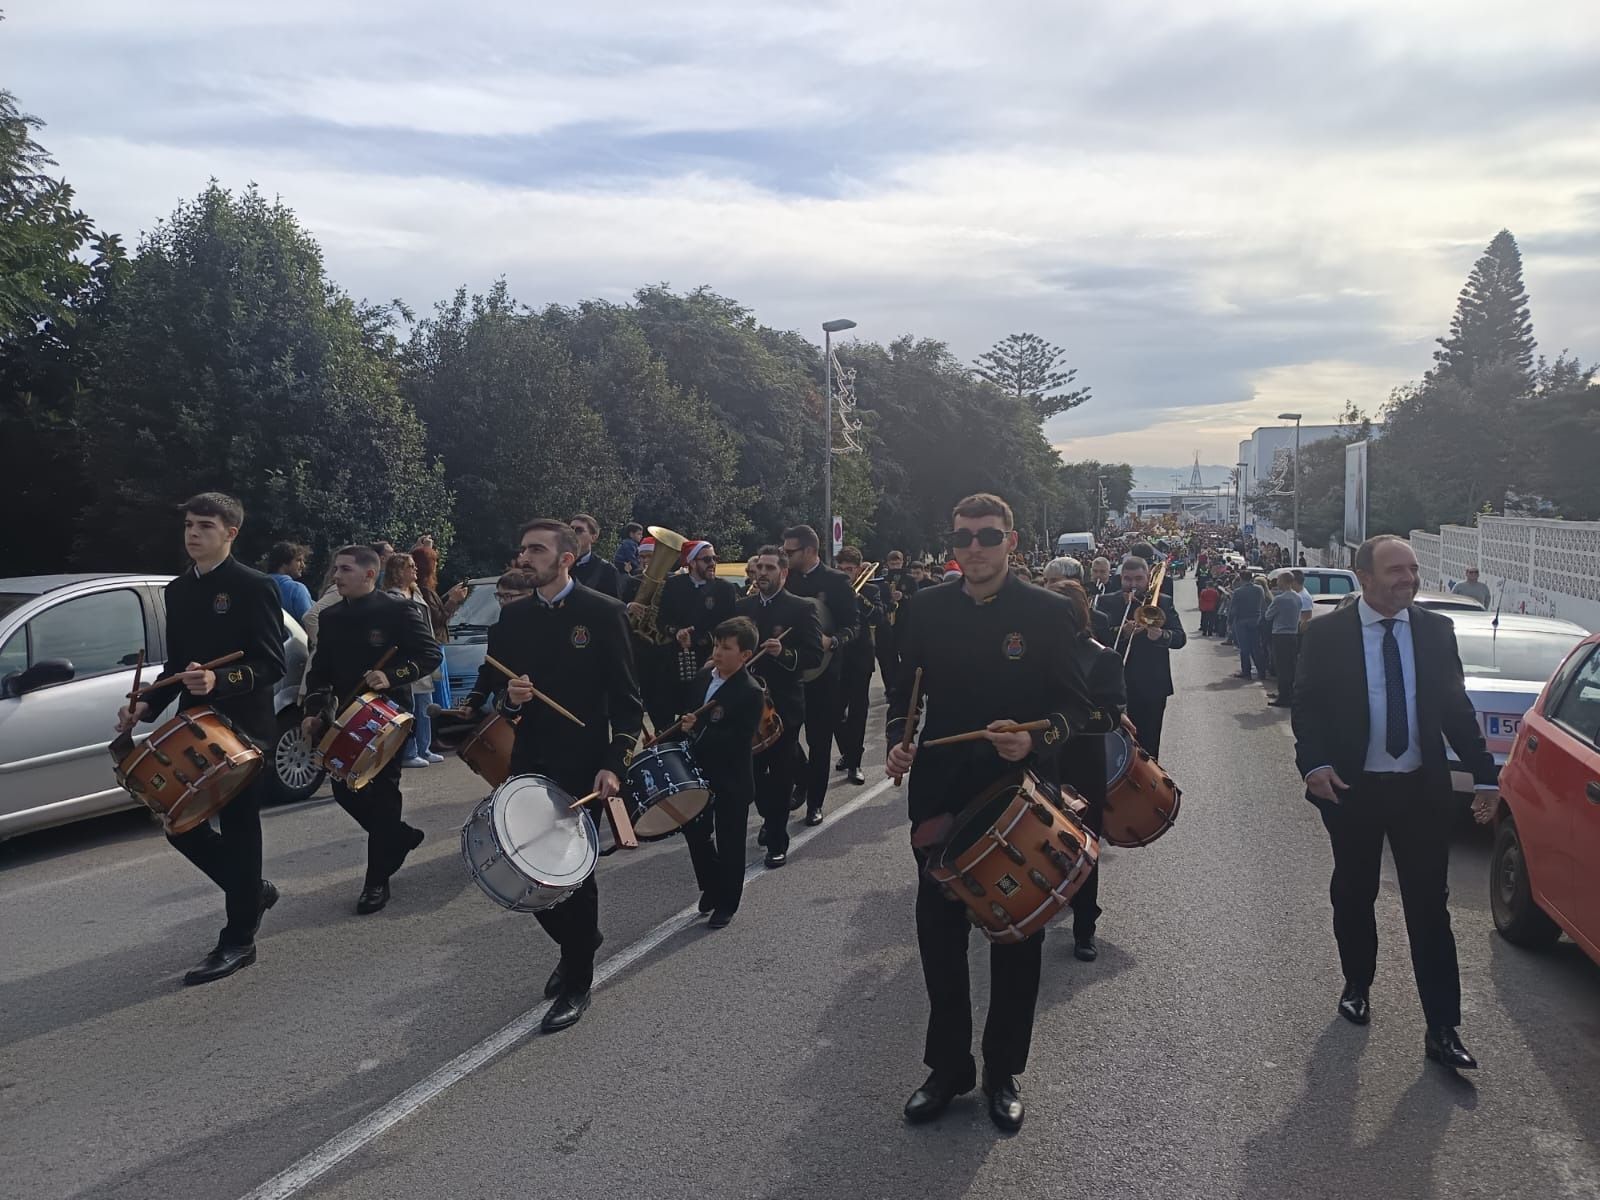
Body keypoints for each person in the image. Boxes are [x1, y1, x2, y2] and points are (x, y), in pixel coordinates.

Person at [886, 492, 1094, 1132]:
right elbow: (903, 691)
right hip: (942, 794)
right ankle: (948, 1069)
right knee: (938, 940)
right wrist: (898, 738)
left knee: (1015, 936)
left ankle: (1002, 1069)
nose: (972, 547)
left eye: (986, 535)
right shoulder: (922, 609)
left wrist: (1036, 738)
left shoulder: (1050, 611)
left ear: (1012, 542)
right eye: (961, 536)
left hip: (1018, 792)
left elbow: (1079, 710)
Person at [1292, 534, 1498, 1070]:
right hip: (1352, 790)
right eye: (1395, 570)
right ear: (1364, 576)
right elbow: (1307, 706)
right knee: (1355, 893)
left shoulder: (1435, 631)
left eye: (1412, 568)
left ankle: (1443, 1027)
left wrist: (1485, 775)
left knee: (1429, 906)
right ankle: (1357, 982)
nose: (1407, 578)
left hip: (1419, 792)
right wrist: (1312, 765)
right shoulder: (1328, 634)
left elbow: (1456, 706)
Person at [116, 492, 286, 985]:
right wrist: (145, 703)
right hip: (194, 727)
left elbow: (271, 663)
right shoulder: (177, 591)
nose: (193, 534)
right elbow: (175, 666)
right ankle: (251, 890)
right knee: (180, 824)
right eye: (189, 524)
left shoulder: (255, 587)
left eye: (205, 526)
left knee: (239, 827)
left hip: (244, 731)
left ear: (230, 533)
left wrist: (222, 681)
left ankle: (239, 939)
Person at [481, 518, 643, 1033]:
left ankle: (577, 982)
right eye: (522, 548)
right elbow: (494, 695)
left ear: (566, 558)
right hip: (530, 761)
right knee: (526, 873)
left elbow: (627, 702)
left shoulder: (604, 612)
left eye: (535, 550)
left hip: (585, 761)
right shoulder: (513, 620)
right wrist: (509, 699)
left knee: (573, 875)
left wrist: (614, 763)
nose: (523, 557)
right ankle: (581, 942)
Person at [303, 545, 441, 913]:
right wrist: (313, 709)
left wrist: (391, 675)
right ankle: (397, 836)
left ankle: (376, 881)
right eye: (335, 568)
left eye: (344, 569)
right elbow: (320, 671)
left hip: (389, 715)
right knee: (344, 790)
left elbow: (430, 655)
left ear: (369, 574)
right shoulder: (331, 617)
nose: (336, 576)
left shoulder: (399, 610)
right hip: (347, 717)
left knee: (382, 793)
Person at [735, 545, 823, 866]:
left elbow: (813, 655)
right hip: (747, 706)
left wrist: (783, 653)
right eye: (759, 568)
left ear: (784, 573)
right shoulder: (742, 607)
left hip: (783, 706)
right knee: (755, 774)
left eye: (770, 568)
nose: (762, 574)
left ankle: (777, 837)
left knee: (781, 772)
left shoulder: (801, 608)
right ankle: (770, 816)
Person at [1052, 579, 1126, 962]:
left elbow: (1110, 715)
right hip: (1040, 761)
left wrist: (1063, 721)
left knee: (1085, 845)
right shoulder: (1031, 654)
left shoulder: (1103, 658)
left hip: (1082, 762)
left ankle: (1085, 928)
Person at [679, 617, 765, 927]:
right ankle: (712, 886)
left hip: (731, 777)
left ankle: (727, 902)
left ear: (744, 655)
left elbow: (738, 739)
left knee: (730, 842)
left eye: (726, 648)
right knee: (696, 834)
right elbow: (687, 710)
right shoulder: (704, 678)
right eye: (716, 644)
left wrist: (698, 726)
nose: (718, 652)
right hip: (698, 773)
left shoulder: (750, 691)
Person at [781, 524, 861, 827]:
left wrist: (834, 641)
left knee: (819, 740)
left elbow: (853, 625)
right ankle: (802, 780)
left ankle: (815, 802)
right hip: (790, 671)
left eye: (791, 552)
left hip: (825, 673)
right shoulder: (786, 579)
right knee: (785, 736)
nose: (785, 557)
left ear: (810, 551)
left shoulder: (836, 581)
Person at [1095, 555, 1186, 759]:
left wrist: (1162, 635)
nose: (1133, 584)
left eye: (1138, 579)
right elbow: (1097, 639)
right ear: (1120, 579)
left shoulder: (1162, 601)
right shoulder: (1106, 601)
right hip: (1116, 687)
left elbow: (1180, 638)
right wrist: (1122, 631)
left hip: (1152, 685)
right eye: (1128, 579)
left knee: (1149, 746)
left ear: (1148, 579)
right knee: (1115, 748)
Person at [659, 539, 738, 711]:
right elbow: (662, 619)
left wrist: (695, 638)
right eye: (707, 560)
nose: (713, 564)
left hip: (709, 658)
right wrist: (677, 633)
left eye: (714, 558)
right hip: (675, 660)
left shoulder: (725, 589)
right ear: (692, 562)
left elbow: (730, 625)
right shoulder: (674, 585)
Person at [382, 552, 442, 767]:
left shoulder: (415, 593)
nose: (415, 569)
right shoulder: (393, 596)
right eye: (410, 566)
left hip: (424, 656)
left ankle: (424, 748)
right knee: (408, 707)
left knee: (425, 705)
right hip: (408, 659)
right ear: (398, 571)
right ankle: (409, 752)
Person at [833, 546, 881, 786]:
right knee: (833, 712)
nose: (844, 574)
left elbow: (879, 617)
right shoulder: (832, 591)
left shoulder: (870, 590)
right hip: (836, 658)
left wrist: (857, 596)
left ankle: (855, 763)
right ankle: (848, 751)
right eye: (840, 569)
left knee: (858, 712)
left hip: (860, 658)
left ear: (859, 570)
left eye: (849, 570)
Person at [1265, 572, 1303, 708]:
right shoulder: (1298, 598)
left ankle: (1283, 697)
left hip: (1280, 635)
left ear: (1285, 581)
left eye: (1279, 580)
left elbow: (1268, 615)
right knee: (1290, 666)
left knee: (1281, 667)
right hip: (1293, 634)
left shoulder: (1279, 599)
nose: (1277, 583)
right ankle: (1290, 694)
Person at [569, 513, 623, 597]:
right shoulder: (556, 562)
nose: (573, 533)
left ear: (593, 537)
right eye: (570, 529)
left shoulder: (606, 570)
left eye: (579, 530)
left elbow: (613, 605)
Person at [265, 541, 314, 622]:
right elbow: (310, 623)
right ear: (284, 562)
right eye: (298, 560)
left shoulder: (257, 585)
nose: (303, 565)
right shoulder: (296, 589)